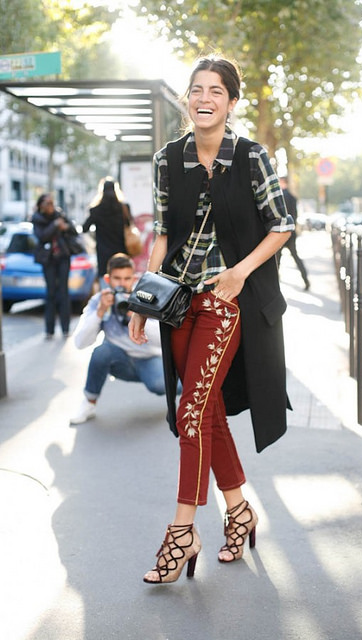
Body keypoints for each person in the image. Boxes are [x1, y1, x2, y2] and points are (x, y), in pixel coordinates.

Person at [129, 55, 295, 584]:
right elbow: (161, 235)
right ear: (187, 99)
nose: (204, 98)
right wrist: (142, 301)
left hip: (225, 302)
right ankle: (239, 510)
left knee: (191, 413)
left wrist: (240, 273)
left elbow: (282, 225)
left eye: (216, 91)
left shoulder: (250, 157)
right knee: (208, 411)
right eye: (197, 89)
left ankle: (183, 530)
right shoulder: (167, 159)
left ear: (231, 102)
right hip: (178, 302)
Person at [70, 253, 165, 425]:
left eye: (127, 278)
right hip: (119, 359)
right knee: (101, 352)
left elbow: (162, 340)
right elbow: (80, 343)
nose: (122, 284)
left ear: (134, 278)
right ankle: (89, 403)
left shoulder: (145, 298)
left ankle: (186, 388)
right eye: (117, 279)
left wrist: (135, 314)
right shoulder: (99, 300)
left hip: (149, 359)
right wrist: (100, 312)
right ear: (108, 279)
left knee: (160, 385)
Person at [32, 193, 77, 339]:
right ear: (41, 205)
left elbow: (74, 231)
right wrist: (55, 225)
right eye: (47, 203)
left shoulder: (60, 215)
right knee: (50, 293)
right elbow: (42, 236)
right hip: (48, 259)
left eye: (52, 202)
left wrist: (65, 226)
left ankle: (65, 329)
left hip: (63, 257)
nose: (50, 206)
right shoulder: (37, 219)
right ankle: (49, 330)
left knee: (64, 292)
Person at [82, 177, 130, 279]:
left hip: (103, 253)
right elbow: (129, 224)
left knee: (105, 279)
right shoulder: (124, 208)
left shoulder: (95, 210)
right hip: (121, 251)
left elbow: (85, 228)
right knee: (122, 278)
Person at [278, 176, 310, 290]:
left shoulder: (279, 196)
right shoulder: (292, 197)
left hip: (280, 233)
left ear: (282, 182)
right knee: (296, 257)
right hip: (291, 232)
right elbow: (295, 216)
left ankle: (274, 284)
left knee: (277, 260)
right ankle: (306, 280)